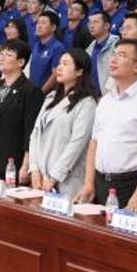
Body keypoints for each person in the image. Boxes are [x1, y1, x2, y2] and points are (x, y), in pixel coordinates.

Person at [76, 39, 137, 216]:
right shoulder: (106, 101)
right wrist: (89, 183)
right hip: (101, 183)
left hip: (133, 185)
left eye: (122, 55)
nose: (113, 59)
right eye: (113, 54)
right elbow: (94, 143)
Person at [29, 49, 97, 199]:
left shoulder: (87, 103)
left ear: (79, 71)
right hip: (42, 177)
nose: (59, 68)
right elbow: (35, 134)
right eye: (59, 63)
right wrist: (34, 169)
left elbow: (77, 144)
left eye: (65, 64)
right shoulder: (51, 97)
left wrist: (54, 177)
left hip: (67, 180)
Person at [0, 39, 45, 182]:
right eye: (1, 54)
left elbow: (30, 132)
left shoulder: (30, 91)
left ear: (21, 62)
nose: (2, 58)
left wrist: (26, 165)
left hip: (12, 161)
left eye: (9, 55)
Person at [85, 10, 118, 94]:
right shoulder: (90, 47)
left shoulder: (117, 45)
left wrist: (107, 94)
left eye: (95, 22)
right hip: (91, 95)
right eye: (89, 23)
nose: (91, 26)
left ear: (106, 26)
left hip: (110, 95)